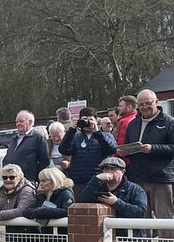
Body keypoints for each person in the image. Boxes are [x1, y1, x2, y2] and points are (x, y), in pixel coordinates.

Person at [123, 90, 174, 219]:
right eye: (141, 104)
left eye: (148, 103)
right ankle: (143, 240)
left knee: (165, 218)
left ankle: (167, 241)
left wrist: (153, 149)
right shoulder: (133, 124)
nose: (144, 107)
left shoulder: (169, 122)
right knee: (141, 219)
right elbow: (127, 144)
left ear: (156, 102)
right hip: (137, 178)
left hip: (160, 179)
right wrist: (124, 152)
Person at [58, 107, 117, 199]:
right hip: (78, 181)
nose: (88, 123)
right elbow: (63, 150)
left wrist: (97, 132)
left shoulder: (106, 135)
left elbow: (111, 150)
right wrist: (72, 130)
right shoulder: (75, 137)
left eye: (91, 120)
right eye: (85, 120)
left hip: (99, 180)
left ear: (96, 120)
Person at [80, 157, 148, 218]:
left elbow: (141, 212)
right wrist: (95, 180)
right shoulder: (97, 187)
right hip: (105, 230)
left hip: (127, 230)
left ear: (123, 172)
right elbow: (83, 202)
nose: (109, 172)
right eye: (106, 169)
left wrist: (116, 202)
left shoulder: (135, 190)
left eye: (113, 169)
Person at [2, 111, 50, 184]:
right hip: (11, 180)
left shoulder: (38, 138)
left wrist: (36, 179)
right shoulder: (14, 139)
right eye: (16, 122)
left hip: (28, 181)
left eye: (21, 121)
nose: (18, 124)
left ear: (30, 122)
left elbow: (45, 161)